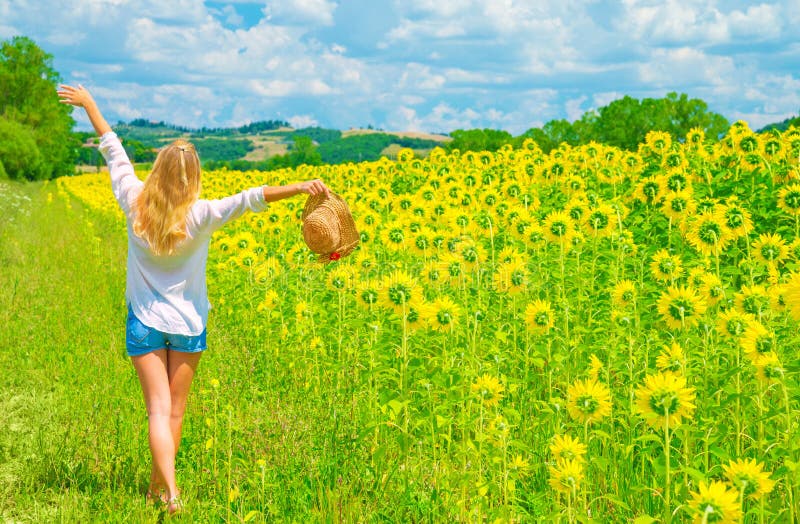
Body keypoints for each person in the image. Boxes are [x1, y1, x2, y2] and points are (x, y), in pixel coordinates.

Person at [57, 84, 330, 514]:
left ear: (158, 171)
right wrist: (299, 188)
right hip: (188, 325)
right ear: (194, 176)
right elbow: (252, 197)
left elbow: (114, 151)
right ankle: (165, 492)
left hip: (145, 321)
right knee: (175, 413)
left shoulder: (135, 202)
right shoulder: (201, 215)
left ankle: (165, 491)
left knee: (156, 411)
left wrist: (90, 104)